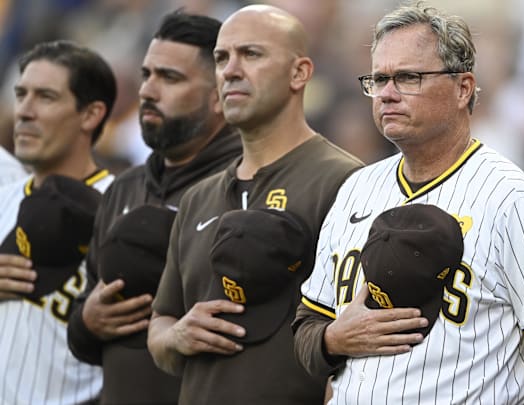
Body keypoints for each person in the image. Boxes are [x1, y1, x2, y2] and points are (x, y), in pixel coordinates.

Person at [292, 3, 524, 404]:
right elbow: (306, 326)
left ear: (463, 88)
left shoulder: (511, 199)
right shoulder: (356, 188)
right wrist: (332, 339)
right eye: (378, 78)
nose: (387, 93)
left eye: (407, 77)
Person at [146, 5, 362, 404]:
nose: (230, 70)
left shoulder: (345, 182)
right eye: (221, 58)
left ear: (300, 73)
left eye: (251, 54)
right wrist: (176, 336)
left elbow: (365, 329)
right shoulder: (198, 196)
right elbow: (160, 325)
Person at [65, 11, 242, 405]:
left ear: (220, 95)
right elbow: (83, 315)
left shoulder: (247, 185)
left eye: (170, 78)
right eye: (147, 75)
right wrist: (88, 322)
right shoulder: (123, 188)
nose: (147, 90)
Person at [0, 40, 116, 404]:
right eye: (21, 95)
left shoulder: (122, 209)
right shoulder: (4, 195)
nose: (24, 111)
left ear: (90, 114)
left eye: (45, 97)